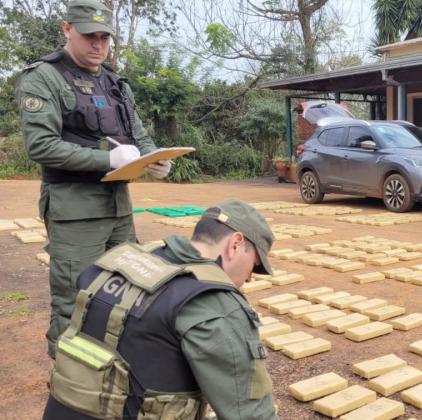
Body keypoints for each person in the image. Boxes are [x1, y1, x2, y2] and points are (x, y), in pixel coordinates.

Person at [15, 0, 172, 358]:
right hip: (75, 212)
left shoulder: (115, 82)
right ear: (67, 29)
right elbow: (41, 146)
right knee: (75, 300)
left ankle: (113, 377)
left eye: (105, 37)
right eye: (90, 36)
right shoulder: (44, 78)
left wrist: (155, 160)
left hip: (118, 209)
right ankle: (68, 390)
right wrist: (107, 158)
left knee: (128, 292)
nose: (99, 45)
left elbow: (139, 133)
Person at [43, 199, 279, 419]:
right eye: (254, 265)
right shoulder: (214, 305)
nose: (249, 278)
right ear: (236, 244)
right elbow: (250, 413)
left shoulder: (120, 260)